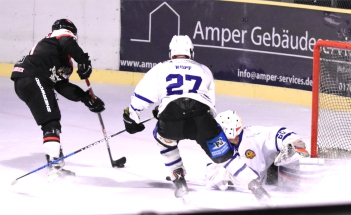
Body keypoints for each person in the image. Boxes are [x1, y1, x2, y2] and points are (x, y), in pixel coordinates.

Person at [122, 35, 270, 203]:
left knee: (164, 139)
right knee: (226, 156)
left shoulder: (160, 69)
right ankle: (254, 185)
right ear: (191, 52)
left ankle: (179, 178)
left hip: (171, 119)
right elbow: (210, 105)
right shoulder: (204, 69)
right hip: (201, 118)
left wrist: (134, 117)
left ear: (171, 52)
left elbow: (141, 97)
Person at [11, 18, 105, 182]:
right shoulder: (59, 36)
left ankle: (56, 164)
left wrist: (85, 98)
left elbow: (62, 86)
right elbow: (66, 41)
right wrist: (83, 60)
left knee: (52, 119)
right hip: (33, 78)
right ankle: (54, 169)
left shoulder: (59, 56)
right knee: (51, 121)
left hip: (28, 80)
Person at [205, 110, 309, 191]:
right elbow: (211, 171)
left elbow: (279, 133)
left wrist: (292, 142)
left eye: (219, 128)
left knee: (290, 157)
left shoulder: (256, 135)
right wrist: (220, 173)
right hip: (238, 196)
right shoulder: (217, 144)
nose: (216, 131)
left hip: (260, 192)